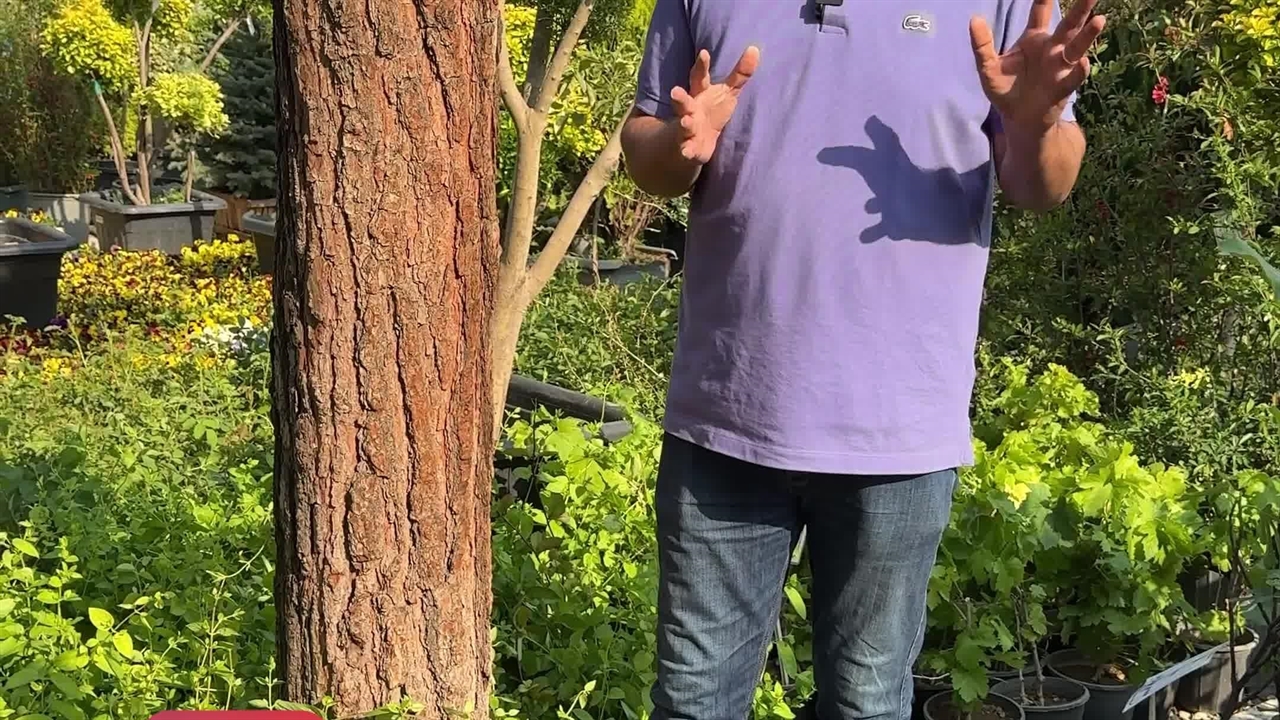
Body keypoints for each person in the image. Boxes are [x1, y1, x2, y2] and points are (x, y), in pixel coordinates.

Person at [619, 0, 1106, 718]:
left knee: (868, 703)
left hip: (898, 433)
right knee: (694, 702)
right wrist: (676, 145)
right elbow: (647, 144)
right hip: (727, 416)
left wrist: (1035, 124)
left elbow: (1045, 185)